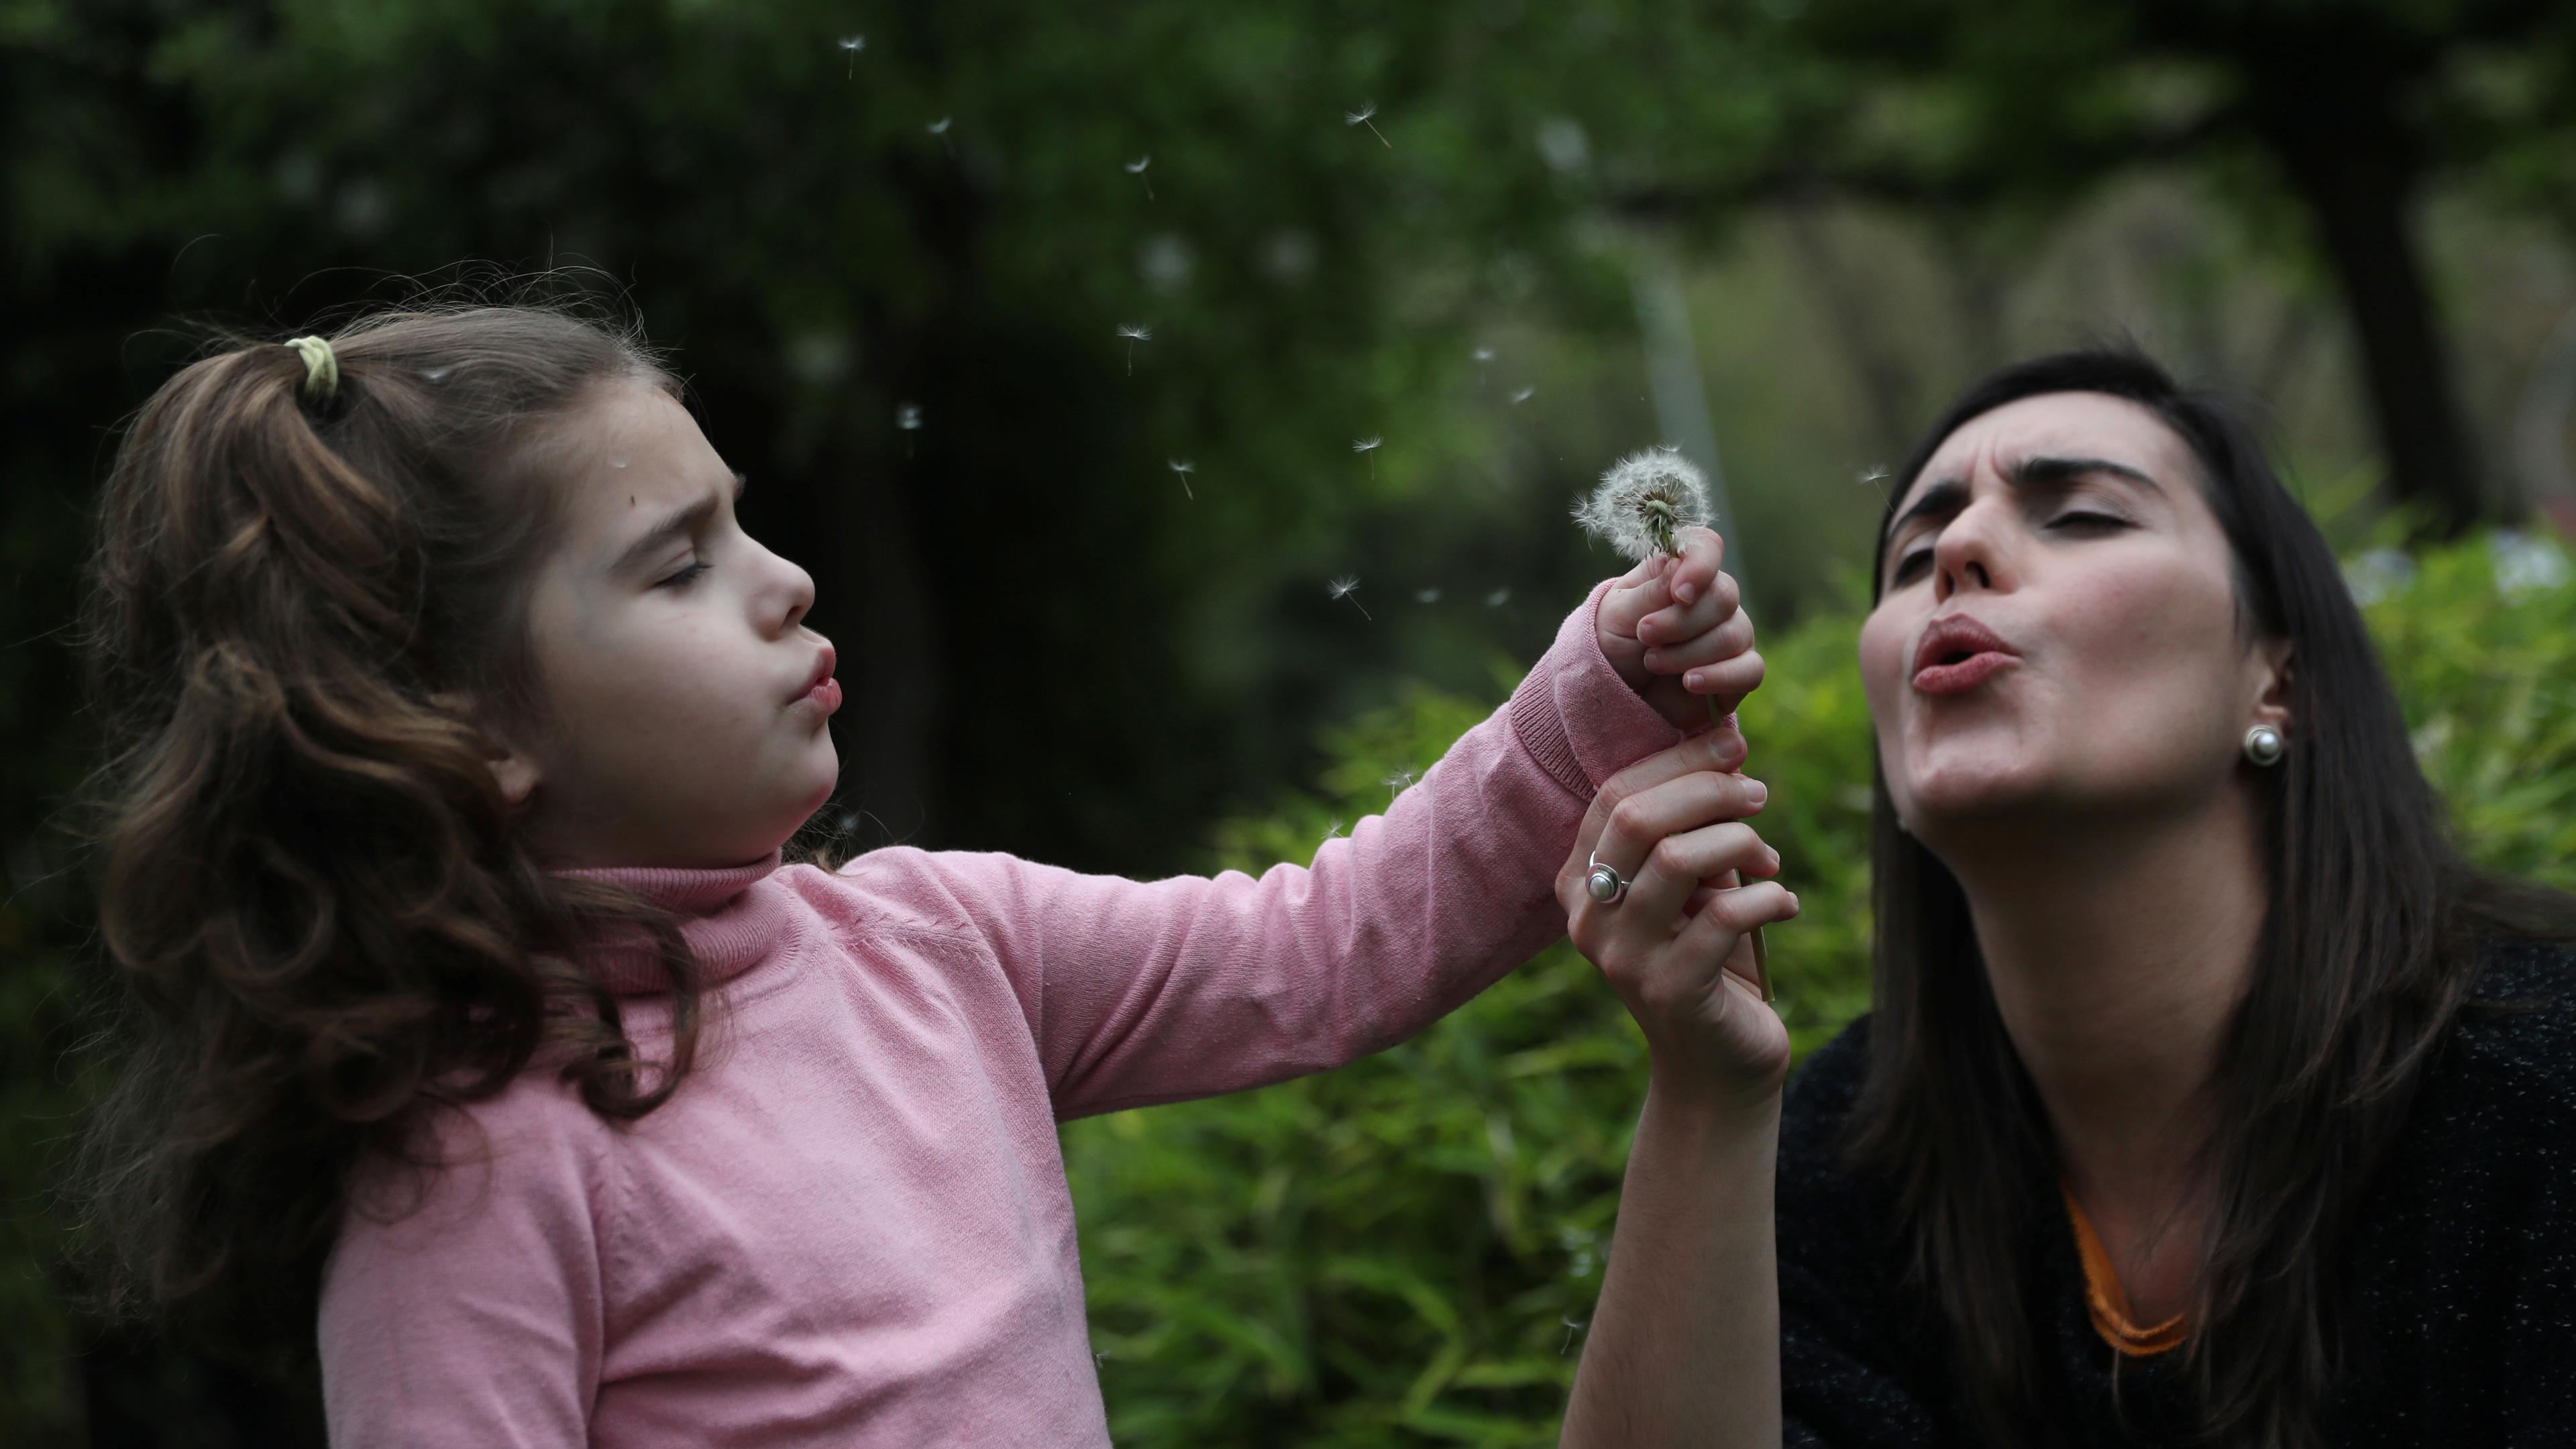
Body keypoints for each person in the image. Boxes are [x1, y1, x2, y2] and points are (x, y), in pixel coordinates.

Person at [62, 300, 1795, 1446]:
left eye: (743, 518)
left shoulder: (939, 942)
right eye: (679, 568)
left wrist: (1597, 696)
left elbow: (1326, 949)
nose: (786, 580)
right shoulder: (473, 1176)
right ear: (470, 724)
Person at [1556, 350, 2576, 1448]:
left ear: (2279, 679)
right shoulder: (1847, 1161)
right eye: (1909, 556)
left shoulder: (2541, 1087)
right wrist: (1708, 1098)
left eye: (2083, 516)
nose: (1957, 549)